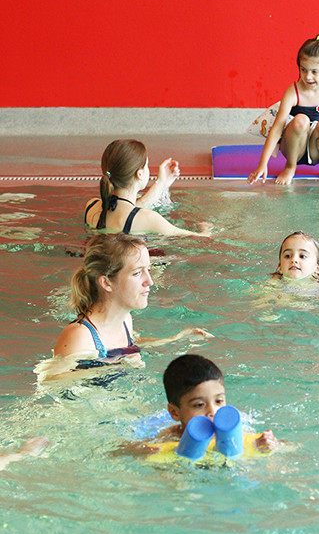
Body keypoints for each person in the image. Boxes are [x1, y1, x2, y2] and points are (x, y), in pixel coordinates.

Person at [52, 235, 211, 366]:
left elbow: (129, 346)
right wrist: (116, 365)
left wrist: (175, 339)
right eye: (137, 273)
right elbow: (51, 383)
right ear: (107, 283)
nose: (149, 281)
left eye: (148, 270)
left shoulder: (125, 320)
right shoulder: (80, 336)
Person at [247, 34, 319, 186]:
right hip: (293, 148)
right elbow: (277, 129)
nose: (308, 76)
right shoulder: (293, 91)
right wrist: (262, 163)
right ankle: (290, 166)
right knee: (301, 120)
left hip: (317, 150)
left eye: (314, 71)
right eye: (303, 70)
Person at [119, 354, 279, 456]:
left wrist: (266, 446)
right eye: (199, 405)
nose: (212, 411)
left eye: (219, 401)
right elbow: (119, 450)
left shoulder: (239, 431)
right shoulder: (170, 436)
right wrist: (137, 451)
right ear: (175, 413)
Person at [84, 138, 212, 237]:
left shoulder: (91, 207)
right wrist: (205, 229)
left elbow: (128, 210)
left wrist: (161, 183)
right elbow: (201, 238)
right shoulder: (149, 219)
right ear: (139, 174)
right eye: (147, 165)